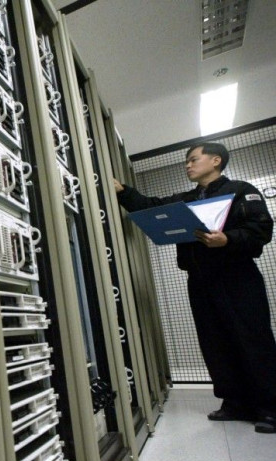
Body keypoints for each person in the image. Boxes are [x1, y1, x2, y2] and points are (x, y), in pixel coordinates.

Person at [113, 142, 276, 434]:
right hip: (200, 280)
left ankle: (269, 407)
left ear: (216, 160)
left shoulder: (241, 190)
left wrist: (228, 239)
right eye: (186, 162)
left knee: (253, 338)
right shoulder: (185, 199)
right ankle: (234, 403)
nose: (187, 165)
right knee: (214, 341)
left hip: (237, 277)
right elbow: (151, 207)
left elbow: (261, 229)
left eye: (193, 160)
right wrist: (123, 191)